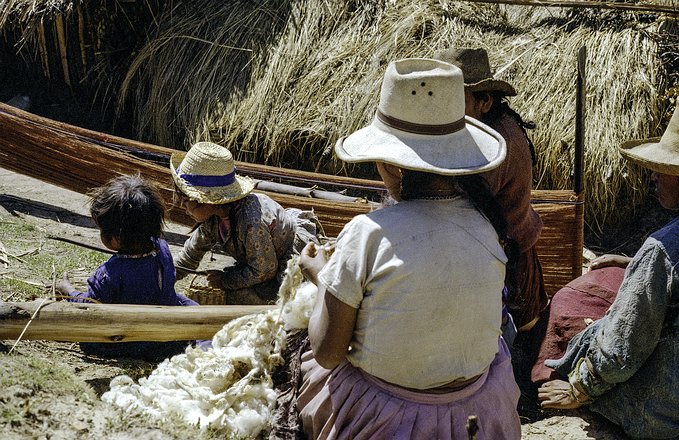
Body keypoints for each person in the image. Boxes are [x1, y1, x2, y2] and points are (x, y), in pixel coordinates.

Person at [296, 58, 521, 439]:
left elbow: (328, 353)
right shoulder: (486, 226)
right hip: (480, 409)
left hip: (385, 417)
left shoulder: (365, 234)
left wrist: (321, 280)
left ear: (387, 163)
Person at [536, 105, 679, 438]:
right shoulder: (661, 254)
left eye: (665, 168)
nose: (653, 176)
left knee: (569, 309)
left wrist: (578, 389)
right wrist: (635, 265)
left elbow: (623, 348)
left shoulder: (662, 250)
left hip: (661, 412)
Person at [434, 47, 547, 337]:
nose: (442, 106)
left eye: (453, 97)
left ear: (484, 101)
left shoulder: (495, 145)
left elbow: (455, 211)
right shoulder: (480, 129)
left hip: (507, 270)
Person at [56, 174, 199, 362]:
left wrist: (68, 290)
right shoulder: (162, 248)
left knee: (89, 340)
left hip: (133, 340)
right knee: (184, 304)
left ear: (115, 238)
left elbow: (90, 308)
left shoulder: (109, 274)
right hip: (168, 338)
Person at [171, 141, 322, 305]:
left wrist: (225, 280)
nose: (183, 207)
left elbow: (264, 271)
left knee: (281, 303)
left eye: (186, 201)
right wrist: (166, 279)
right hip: (264, 262)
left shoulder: (251, 222)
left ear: (207, 201)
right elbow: (189, 256)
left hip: (286, 257)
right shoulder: (212, 220)